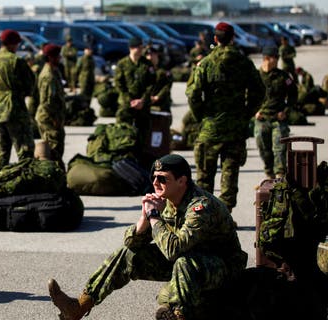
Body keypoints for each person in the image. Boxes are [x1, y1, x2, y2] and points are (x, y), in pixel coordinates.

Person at [48, 154, 247, 320]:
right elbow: (131, 243)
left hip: (222, 267)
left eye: (162, 178)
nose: (155, 183)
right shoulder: (169, 200)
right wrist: (144, 219)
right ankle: (79, 306)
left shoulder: (201, 207)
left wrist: (154, 217)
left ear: (182, 181)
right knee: (129, 254)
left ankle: (179, 315)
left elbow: (173, 250)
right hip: (187, 263)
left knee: (184, 263)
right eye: (154, 177)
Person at [185, 22, 265, 212]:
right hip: (235, 129)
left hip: (210, 129)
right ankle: (226, 214)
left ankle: (203, 217)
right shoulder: (244, 63)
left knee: (204, 177)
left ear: (215, 39)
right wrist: (246, 114)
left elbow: (193, 94)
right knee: (230, 175)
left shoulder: (205, 64)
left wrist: (201, 116)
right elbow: (259, 91)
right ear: (233, 38)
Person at [0, 29, 36, 171]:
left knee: (1, 154)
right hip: (14, 111)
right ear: (14, 44)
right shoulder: (16, 61)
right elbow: (30, 86)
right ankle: (26, 186)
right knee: (25, 153)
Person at [114, 36, 156, 169]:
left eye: (141, 47)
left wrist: (142, 100)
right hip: (127, 105)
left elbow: (151, 84)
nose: (141, 50)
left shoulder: (147, 64)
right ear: (132, 48)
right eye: (139, 47)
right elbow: (119, 85)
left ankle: (140, 162)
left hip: (143, 105)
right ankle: (124, 160)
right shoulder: (122, 64)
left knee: (142, 134)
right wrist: (130, 101)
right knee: (123, 133)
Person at [255, 46, 297, 179]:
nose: (278, 60)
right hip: (262, 119)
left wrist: (286, 111)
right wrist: (255, 111)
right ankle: (269, 175)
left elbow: (293, 95)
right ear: (266, 58)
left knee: (280, 149)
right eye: (275, 58)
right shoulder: (255, 76)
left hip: (278, 118)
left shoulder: (283, 76)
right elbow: (247, 96)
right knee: (264, 150)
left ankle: (280, 177)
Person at [35, 44, 66, 170]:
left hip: (54, 116)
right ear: (50, 57)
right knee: (53, 149)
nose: (60, 58)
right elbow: (47, 101)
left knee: (56, 147)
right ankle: (53, 175)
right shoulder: (48, 76)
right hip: (49, 118)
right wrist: (55, 118)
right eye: (57, 56)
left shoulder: (55, 71)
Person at [145, 45, 173, 112]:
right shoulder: (144, 69)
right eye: (148, 55)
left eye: (152, 55)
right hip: (146, 102)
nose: (149, 57)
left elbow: (167, 85)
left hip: (162, 102)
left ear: (157, 55)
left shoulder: (164, 69)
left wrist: (158, 97)